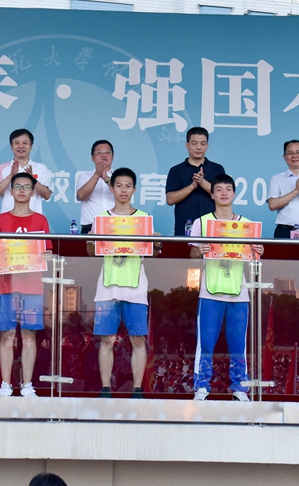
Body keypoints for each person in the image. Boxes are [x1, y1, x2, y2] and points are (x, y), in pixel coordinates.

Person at [189, 174, 265, 401]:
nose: (223, 193)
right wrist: (199, 250)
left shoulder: (247, 225)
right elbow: (192, 254)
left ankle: (240, 388)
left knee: (238, 345)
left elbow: (254, 258)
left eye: (228, 189)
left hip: (239, 292)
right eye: (219, 189)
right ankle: (202, 387)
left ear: (234, 193)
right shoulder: (202, 222)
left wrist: (258, 251)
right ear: (212, 194)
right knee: (205, 343)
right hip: (209, 291)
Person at [87, 167, 161, 399]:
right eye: (118, 185)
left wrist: (156, 243)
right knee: (107, 340)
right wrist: (90, 241)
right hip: (107, 288)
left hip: (136, 288)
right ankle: (105, 388)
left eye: (128, 186)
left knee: (138, 340)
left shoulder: (144, 220)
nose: (123, 190)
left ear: (134, 189)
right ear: (111, 188)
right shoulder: (102, 220)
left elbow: (153, 253)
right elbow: (90, 252)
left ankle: (137, 389)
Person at [0, 172, 53, 397]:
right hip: (6, 285)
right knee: (6, 335)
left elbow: (47, 251)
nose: (22, 190)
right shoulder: (0, 220)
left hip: (32, 286)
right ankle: (5, 385)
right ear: (11, 191)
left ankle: (27, 385)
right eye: (18, 186)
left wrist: (47, 256)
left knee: (29, 335)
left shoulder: (41, 220)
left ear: (33, 192)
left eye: (27, 187)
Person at [165, 127, 226, 236]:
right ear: (187, 145)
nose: (198, 147)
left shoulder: (217, 169)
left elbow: (223, 196)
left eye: (203, 144)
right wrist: (192, 186)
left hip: (212, 228)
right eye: (194, 143)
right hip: (185, 228)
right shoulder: (176, 170)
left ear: (207, 146)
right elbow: (170, 200)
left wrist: (202, 182)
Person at [0, 129, 52, 214]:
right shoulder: (2, 168)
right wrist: (11, 176)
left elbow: (47, 195)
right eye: (17, 143)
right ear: (11, 146)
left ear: (31, 146)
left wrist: (33, 180)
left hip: (33, 218)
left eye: (25, 143)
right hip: (8, 219)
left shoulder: (41, 168)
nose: (21, 146)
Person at [75, 139, 115, 234]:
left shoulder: (119, 176)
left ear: (112, 157)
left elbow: (124, 195)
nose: (104, 155)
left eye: (107, 152)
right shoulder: (84, 176)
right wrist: (97, 174)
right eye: (99, 152)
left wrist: (107, 179)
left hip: (116, 226)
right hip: (90, 228)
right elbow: (81, 196)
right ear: (92, 158)